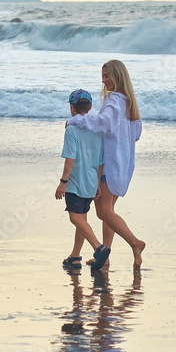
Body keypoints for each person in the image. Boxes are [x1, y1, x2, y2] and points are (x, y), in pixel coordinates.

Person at [67, 59, 145, 270]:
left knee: (103, 212)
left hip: (109, 164)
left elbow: (104, 123)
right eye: (102, 76)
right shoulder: (130, 103)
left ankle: (135, 243)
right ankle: (106, 257)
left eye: (107, 76)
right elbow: (136, 134)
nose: (104, 81)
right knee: (108, 211)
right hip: (124, 163)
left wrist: (76, 121)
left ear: (118, 76)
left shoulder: (113, 102)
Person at [56, 89, 111, 271]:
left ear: (72, 107)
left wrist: (63, 182)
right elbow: (101, 160)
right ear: (90, 107)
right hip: (90, 182)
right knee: (82, 219)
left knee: (75, 217)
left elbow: (70, 158)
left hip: (76, 181)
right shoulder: (97, 130)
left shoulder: (72, 129)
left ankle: (98, 247)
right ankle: (74, 257)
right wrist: (96, 183)